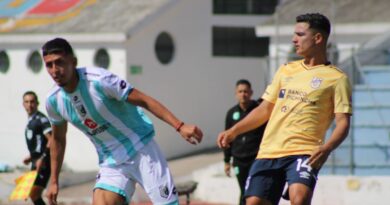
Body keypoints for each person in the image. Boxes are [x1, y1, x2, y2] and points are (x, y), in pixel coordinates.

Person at [41, 38, 203, 205]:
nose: (54, 70)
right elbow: (58, 139)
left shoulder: (100, 81)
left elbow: (144, 100)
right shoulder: (53, 101)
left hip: (141, 149)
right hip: (111, 161)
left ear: (73, 61)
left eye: (59, 62)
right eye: (49, 65)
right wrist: (53, 180)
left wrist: (180, 126)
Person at [217, 13, 352, 205]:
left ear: (318, 38)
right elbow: (265, 110)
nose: (293, 39)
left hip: (304, 152)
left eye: (299, 34)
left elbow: (343, 123)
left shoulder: (337, 79)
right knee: (254, 202)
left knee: (299, 199)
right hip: (269, 152)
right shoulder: (285, 70)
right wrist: (233, 131)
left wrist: (327, 148)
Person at [223, 79, 266, 205]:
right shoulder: (231, 113)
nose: (243, 94)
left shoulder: (259, 110)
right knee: (244, 191)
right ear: (236, 93)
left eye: (246, 91)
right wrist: (226, 161)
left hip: (256, 159)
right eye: (240, 91)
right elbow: (227, 139)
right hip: (239, 160)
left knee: (255, 192)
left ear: (251, 92)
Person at [22, 91, 52, 205]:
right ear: (23, 104)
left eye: (32, 102)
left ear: (37, 103)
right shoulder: (31, 120)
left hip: (44, 163)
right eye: (27, 102)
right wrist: (31, 156)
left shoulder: (41, 119)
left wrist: (42, 158)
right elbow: (40, 143)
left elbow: (51, 139)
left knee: (34, 194)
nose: (30, 105)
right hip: (35, 161)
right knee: (31, 194)